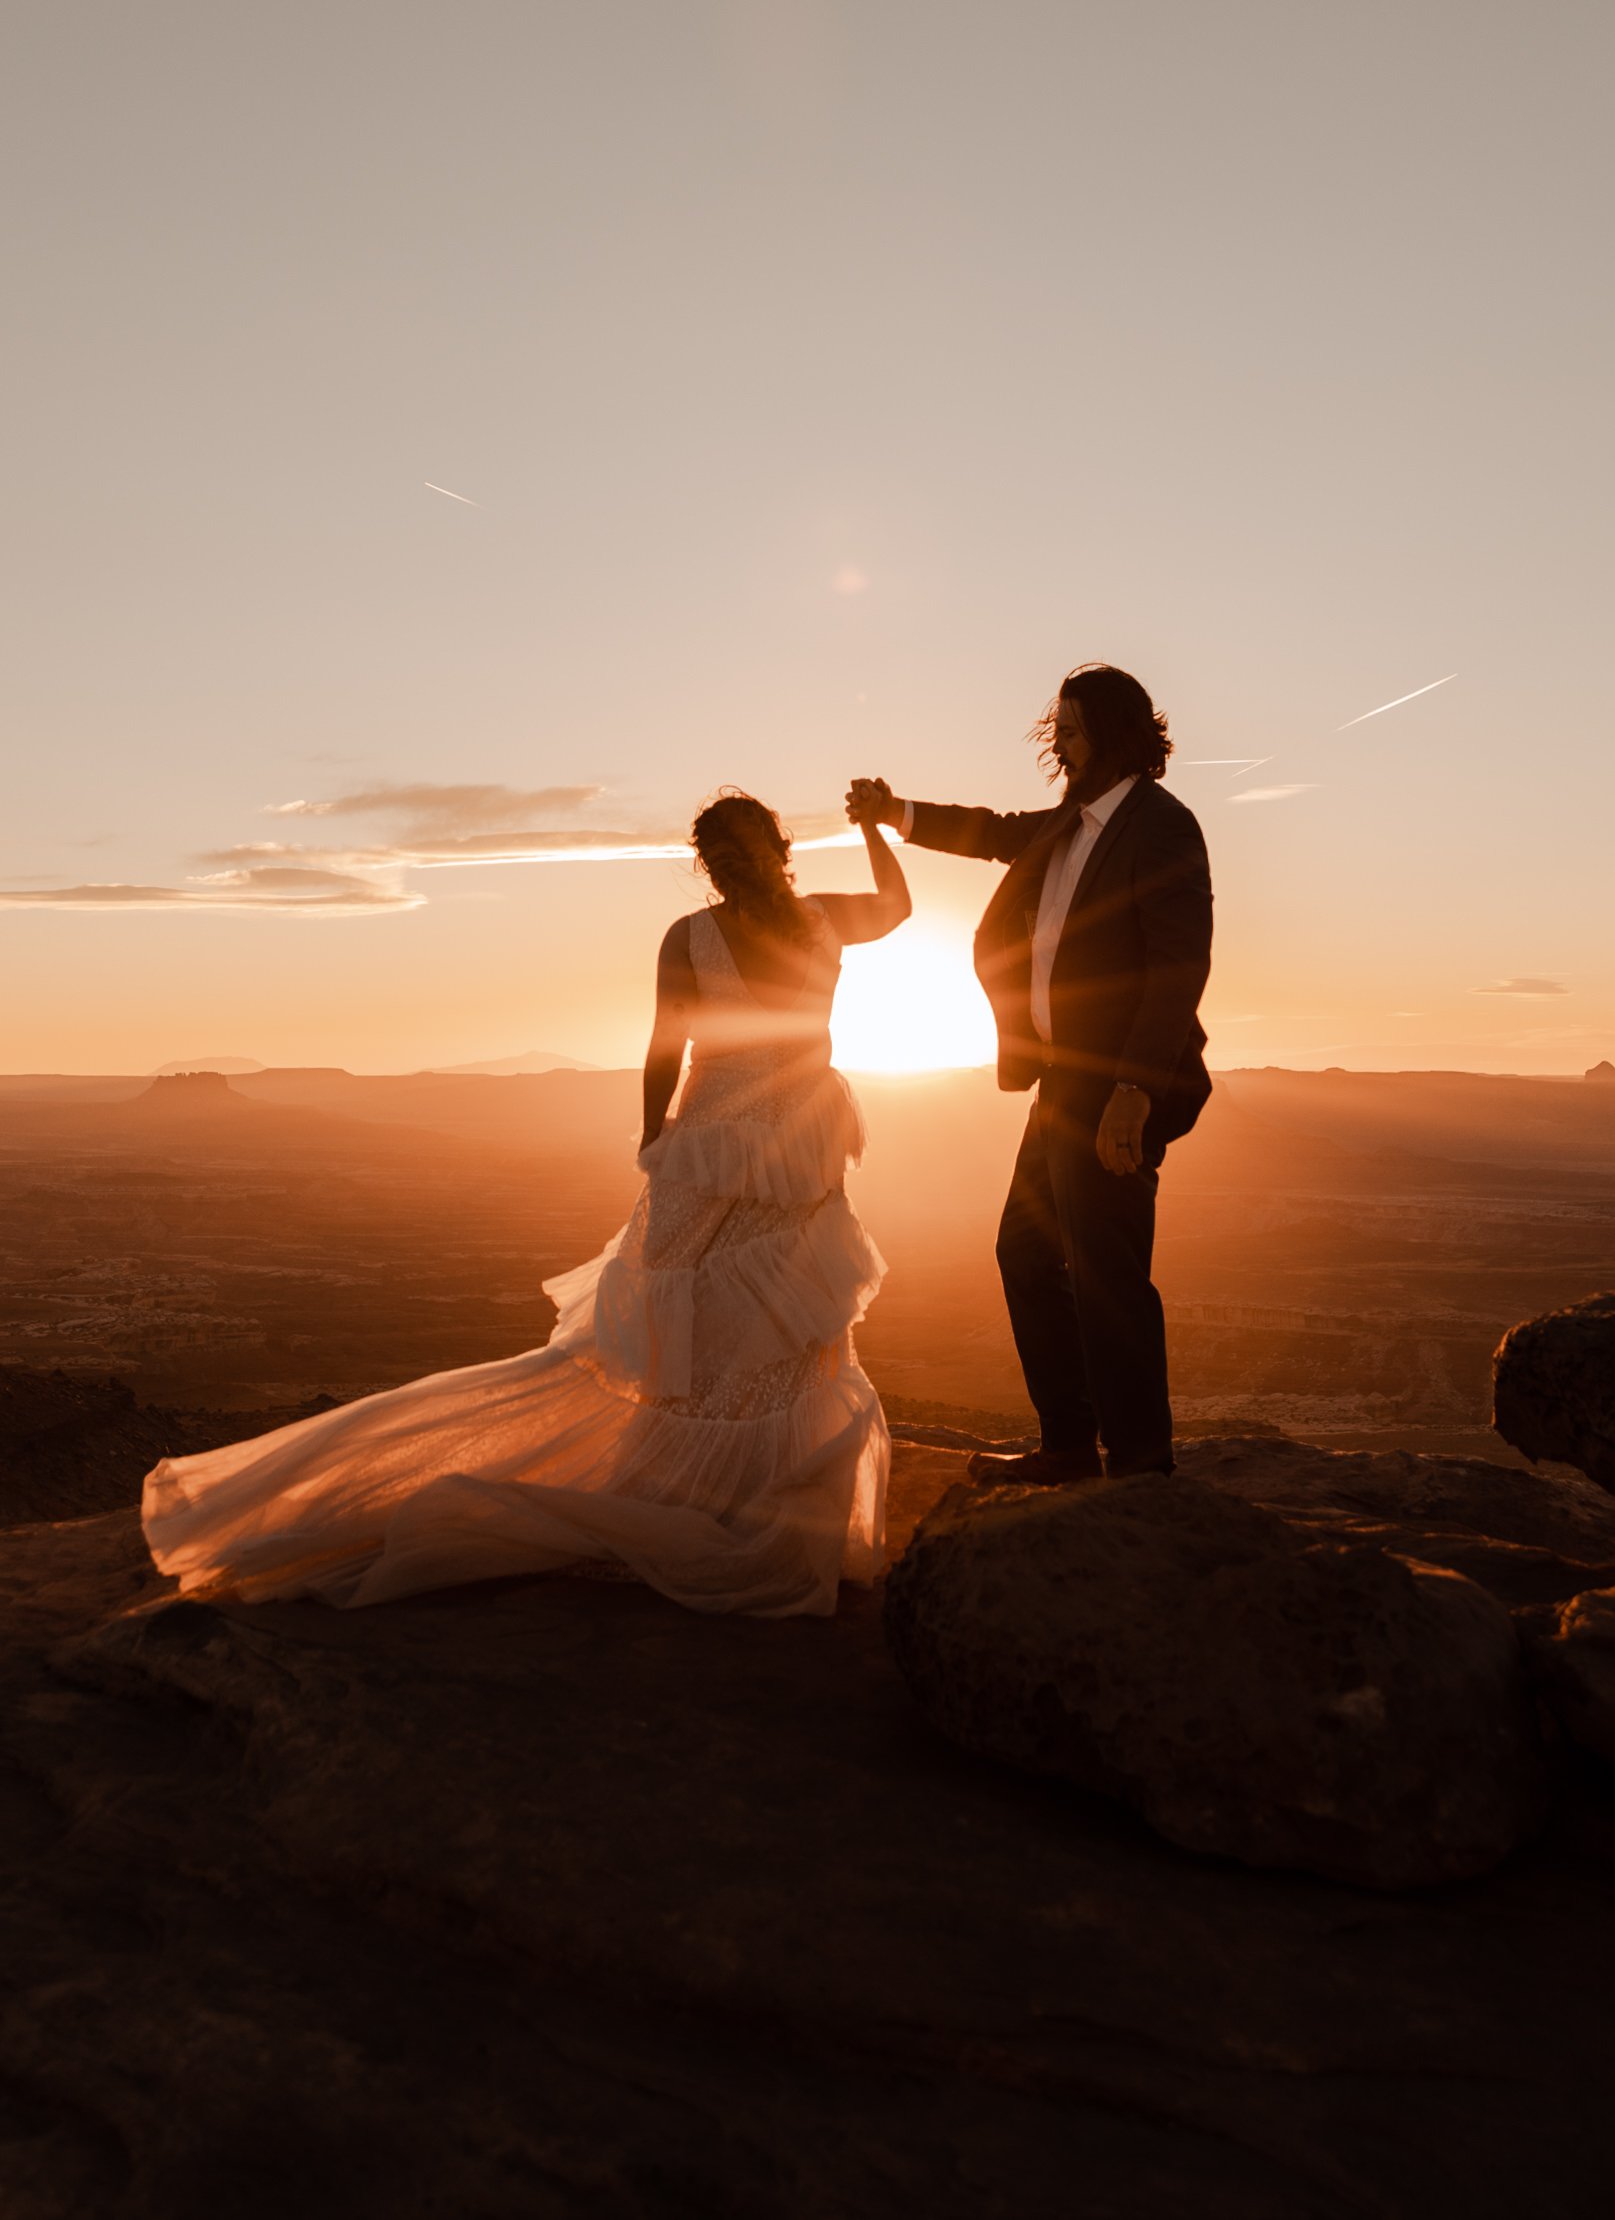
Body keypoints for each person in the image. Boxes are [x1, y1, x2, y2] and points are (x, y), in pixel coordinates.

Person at [141, 791, 909, 1616]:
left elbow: (665, 1045)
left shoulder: (692, 936)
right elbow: (896, 908)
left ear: (708, 863)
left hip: (715, 1141)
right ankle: (748, 1499)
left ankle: (695, 1490)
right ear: (779, 848)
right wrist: (871, 825)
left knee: (683, 1321)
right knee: (779, 1323)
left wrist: (654, 1140)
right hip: (793, 1140)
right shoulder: (819, 918)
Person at [847, 663, 1212, 1485]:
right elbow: (990, 831)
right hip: (1060, 1081)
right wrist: (895, 813)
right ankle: (1070, 1445)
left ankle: (1140, 1464)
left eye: (1073, 728)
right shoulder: (1065, 824)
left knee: (1106, 1272)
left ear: (1119, 734)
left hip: (1112, 1085)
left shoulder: (1159, 827)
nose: (1060, 742)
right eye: (1058, 729)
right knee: (1025, 1252)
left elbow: (1177, 968)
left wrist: (1132, 1091)